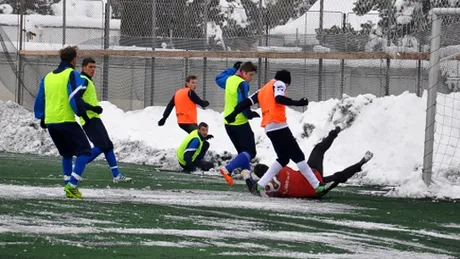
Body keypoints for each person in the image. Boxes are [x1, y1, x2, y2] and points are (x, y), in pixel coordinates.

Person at [225, 69, 325, 196]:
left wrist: (233, 114)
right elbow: (279, 98)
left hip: (269, 128)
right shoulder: (280, 84)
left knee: (283, 159)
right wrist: (298, 103)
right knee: (299, 156)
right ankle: (317, 185)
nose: (285, 88)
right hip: (279, 126)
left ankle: (261, 184)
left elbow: (246, 102)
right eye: (287, 85)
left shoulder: (263, 89)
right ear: (286, 82)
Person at [241, 126, 374, 198]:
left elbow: (254, 190)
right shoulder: (280, 168)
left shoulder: (268, 190)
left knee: (338, 177)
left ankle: (361, 162)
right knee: (319, 150)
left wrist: (247, 177)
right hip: (315, 180)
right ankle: (336, 131)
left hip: (315, 188)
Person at [33, 46, 91, 199]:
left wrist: (41, 116)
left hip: (51, 122)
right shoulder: (71, 74)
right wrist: (82, 113)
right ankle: (71, 186)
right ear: (74, 59)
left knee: (66, 154)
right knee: (85, 151)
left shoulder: (47, 77)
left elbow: (40, 98)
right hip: (65, 120)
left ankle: (67, 185)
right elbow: (74, 95)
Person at [78, 57, 132, 183]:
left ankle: (116, 175)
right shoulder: (83, 81)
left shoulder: (88, 81)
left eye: (94, 67)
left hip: (95, 118)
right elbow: (77, 100)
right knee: (101, 146)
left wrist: (96, 109)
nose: (93, 69)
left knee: (108, 146)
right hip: (88, 119)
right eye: (90, 67)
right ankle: (77, 169)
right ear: (83, 67)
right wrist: (93, 108)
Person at [215, 61, 259, 186]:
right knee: (251, 152)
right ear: (244, 73)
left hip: (228, 123)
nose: (251, 78)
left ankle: (249, 181)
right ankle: (227, 169)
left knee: (243, 154)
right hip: (239, 122)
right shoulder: (242, 83)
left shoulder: (230, 79)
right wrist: (249, 114)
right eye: (250, 75)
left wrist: (233, 69)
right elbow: (243, 102)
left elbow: (218, 78)